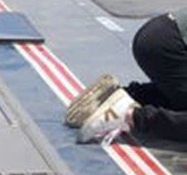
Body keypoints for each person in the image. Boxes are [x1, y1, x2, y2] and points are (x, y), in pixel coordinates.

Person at [68, 11, 187, 145]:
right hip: (171, 44)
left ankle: (126, 96)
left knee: (179, 98)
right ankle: (129, 115)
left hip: (159, 30)